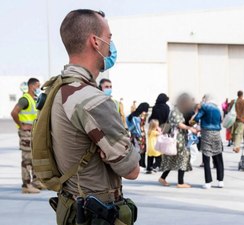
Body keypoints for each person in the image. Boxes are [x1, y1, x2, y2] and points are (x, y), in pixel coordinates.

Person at [50, 10, 140, 224]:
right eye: (109, 37)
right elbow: (132, 170)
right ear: (95, 42)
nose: (111, 44)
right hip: (95, 214)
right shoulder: (91, 99)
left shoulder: (57, 89)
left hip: (73, 206)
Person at [10, 77, 44, 193]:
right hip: (26, 134)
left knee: (34, 158)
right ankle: (26, 185)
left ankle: (36, 182)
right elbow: (14, 112)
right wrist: (21, 125)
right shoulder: (25, 99)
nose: (38, 89)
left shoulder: (34, 99)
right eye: (37, 86)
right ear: (31, 86)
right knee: (27, 159)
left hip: (33, 133)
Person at [159, 93, 197, 188]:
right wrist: (190, 128)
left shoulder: (179, 110)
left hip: (179, 137)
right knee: (183, 157)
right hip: (178, 138)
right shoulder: (175, 111)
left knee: (174, 159)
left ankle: (163, 178)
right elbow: (179, 124)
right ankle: (180, 182)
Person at [193, 94, 224, 189]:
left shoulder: (204, 108)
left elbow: (197, 118)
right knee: (218, 156)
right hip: (216, 134)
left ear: (205, 100)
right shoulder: (218, 109)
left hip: (206, 133)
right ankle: (220, 181)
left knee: (206, 157)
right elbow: (220, 120)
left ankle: (208, 182)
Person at [128, 102, 150, 168]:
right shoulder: (143, 114)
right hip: (141, 132)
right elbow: (142, 122)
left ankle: (135, 164)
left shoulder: (133, 114)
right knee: (142, 149)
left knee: (135, 148)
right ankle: (142, 164)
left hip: (133, 133)